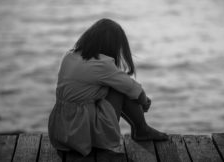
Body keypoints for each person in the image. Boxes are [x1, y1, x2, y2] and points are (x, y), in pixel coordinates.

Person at [48, 18, 168, 156]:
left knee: (114, 85)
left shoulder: (69, 55)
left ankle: (142, 129)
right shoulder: (102, 64)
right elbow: (134, 89)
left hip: (60, 131)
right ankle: (142, 129)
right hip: (80, 134)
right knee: (120, 88)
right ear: (112, 45)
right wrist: (144, 101)